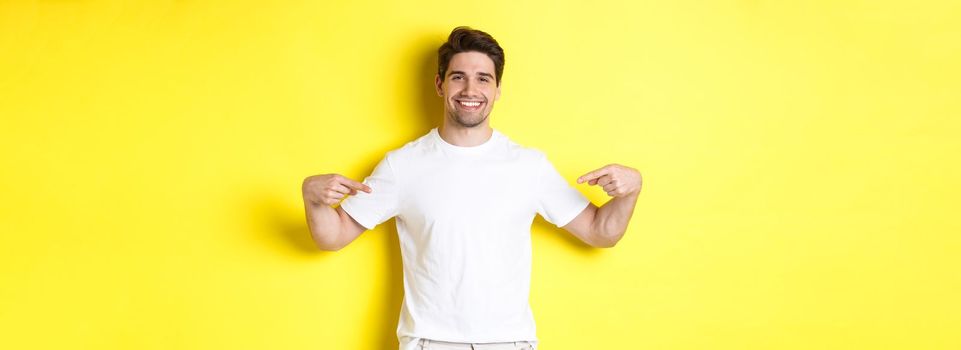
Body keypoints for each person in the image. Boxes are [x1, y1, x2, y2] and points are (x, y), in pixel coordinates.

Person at [301, 26, 642, 350]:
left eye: (483, 79)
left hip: (508, 341)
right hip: (430, 342)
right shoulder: (402, 166)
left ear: (497, 90)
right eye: (458, 77)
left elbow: (601, 232)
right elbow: (333, 236)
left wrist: (632, 190)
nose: (470, 90)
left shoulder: (528, 166)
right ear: (440, 84)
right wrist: (312, 198)